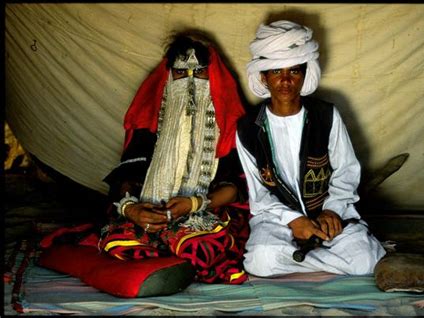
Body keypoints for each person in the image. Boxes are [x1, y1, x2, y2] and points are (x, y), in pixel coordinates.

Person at [236, 20, 386, 277]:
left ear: (305, 75)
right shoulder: (248, 128)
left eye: (294, 71)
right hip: (278, 218)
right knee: (258, 262)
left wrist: (332, 210)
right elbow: (259, 194)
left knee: (366, 260)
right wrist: (293, 220)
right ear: (263, 77)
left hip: (327, 213)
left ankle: (300, 257)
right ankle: (323, 257)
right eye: (275, 72)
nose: (285, 81)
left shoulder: (325, 115)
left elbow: (346, 171)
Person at [101, 33, 250, 284]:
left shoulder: (233, 127)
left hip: (203, 214)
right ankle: (172, 264)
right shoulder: (149, 125)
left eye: (200, 73)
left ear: (213, 78)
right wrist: (132, 209)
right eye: (181, 74)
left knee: (201, 246)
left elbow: (236, 189)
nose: (190, 83)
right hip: (150, 215)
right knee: (115, 242)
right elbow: (126, 178)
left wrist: (193, 204)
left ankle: (163, 264)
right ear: (169, 78)